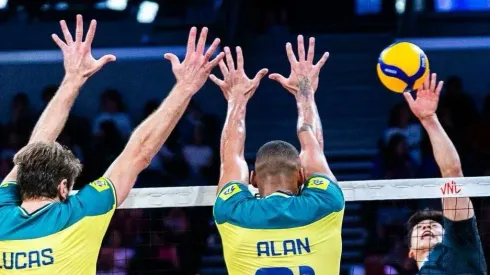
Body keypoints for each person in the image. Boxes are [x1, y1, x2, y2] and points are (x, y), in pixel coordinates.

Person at [0, 14, 224, 274]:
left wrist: (72, 79)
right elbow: (138, 152)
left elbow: (34, 148)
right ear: (63, 188)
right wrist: (185, 88)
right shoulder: (81, 213)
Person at [211, 36, 344, 274]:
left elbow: (230, 157)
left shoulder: (231, 213)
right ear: (302, 176)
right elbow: (313, 147)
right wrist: (305, 92)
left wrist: (236, 100)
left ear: (252, 179)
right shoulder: (326, 205)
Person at [403, 73, 487, 274]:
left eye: (434, 225)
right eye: (420, 227)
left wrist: (429, 120)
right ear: (410, 252)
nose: (427, 227)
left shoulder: (459, 249)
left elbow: (452, 173)